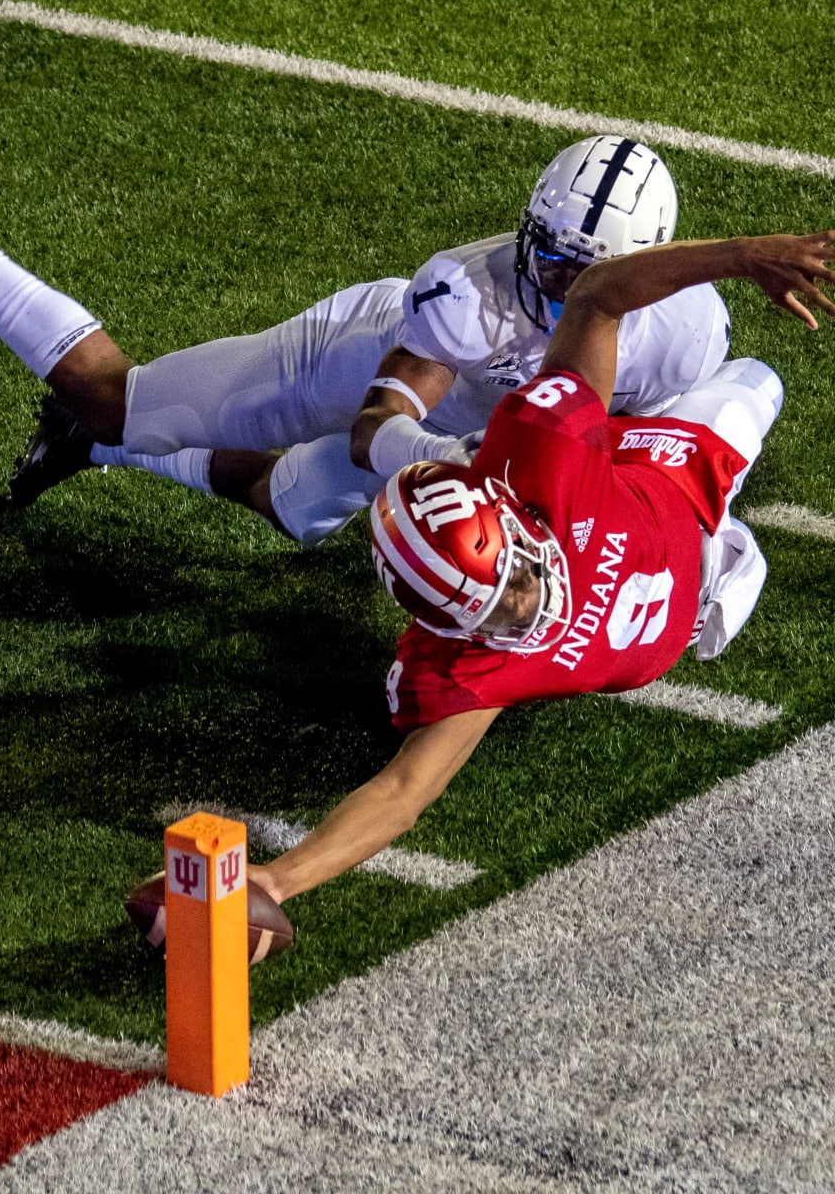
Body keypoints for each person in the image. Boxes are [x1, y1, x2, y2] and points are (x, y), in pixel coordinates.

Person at [240, 227, 834, 904]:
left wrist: (742, 255)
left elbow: (597, 295)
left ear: (513, 517)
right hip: (677, 588)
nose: (521, 607)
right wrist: (278, 881)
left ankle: (657, 451)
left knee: (758, 380)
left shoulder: (545, 451)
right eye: (490, 612)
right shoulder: (460, 662)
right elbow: (402, 794)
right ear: (442, 622)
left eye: (514, 579)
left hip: (671, 477)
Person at [0, 138, 743, 550]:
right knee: (119, 395)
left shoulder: (686, 331)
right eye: (546, 253)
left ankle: (95, 452)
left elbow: (653, 449)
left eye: (583, 272)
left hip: (471, 439)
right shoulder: (468, 290)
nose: (551, 283)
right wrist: (458, 461)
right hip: (368, 363)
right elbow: (379, 425)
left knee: (294, 508)